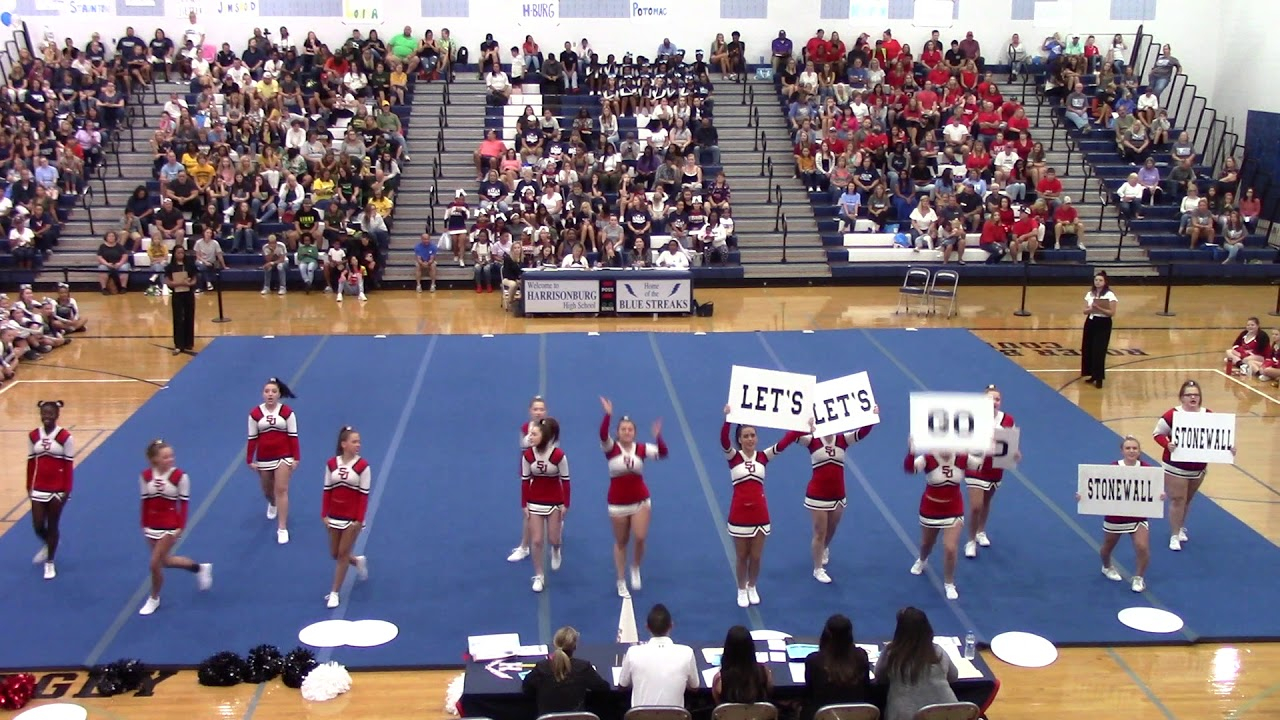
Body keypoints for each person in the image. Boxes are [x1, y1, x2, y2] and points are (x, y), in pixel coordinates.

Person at [786, 408, 877, 583]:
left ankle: (824, 548)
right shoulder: (812, 441)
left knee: (832, 529)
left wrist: (871, 415)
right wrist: (803, 425)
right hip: (817, 495)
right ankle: (818, 568)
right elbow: (792, 436)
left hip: (838, 495)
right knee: (820, 532)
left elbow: (863, 432)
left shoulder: (842, 440)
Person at [721, 405, 797, 607]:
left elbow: (784, 442)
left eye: (753, 435)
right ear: (739, 439)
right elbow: (723, 440)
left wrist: (802, 425)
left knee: (756, 556)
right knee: (741, 556)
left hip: (760, 514)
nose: (750, 439)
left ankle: (752, 585)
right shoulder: (733, 457)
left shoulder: (763, 456)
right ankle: (741, 589)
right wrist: (728, 419)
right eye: (745, 436)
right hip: (739, 514)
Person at [1076, 436, 1165, 592]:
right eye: (1128, 448)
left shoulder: (1148, 469)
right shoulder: (1113, 468)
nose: (1131, 451)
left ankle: (1138, 577)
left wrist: (1160, 496)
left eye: (1134, 448)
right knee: (1107, 548)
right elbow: (1099, 488)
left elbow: (1155, 490)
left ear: (1139, 451)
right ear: (1122, 451)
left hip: (1138, 516)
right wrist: (1083, 496)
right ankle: (1107, 566)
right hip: (1115, 516)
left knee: (1142, 546)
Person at [599, 396, 668, 598]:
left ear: (634, 432)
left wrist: (658, 436)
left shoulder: (641, 449)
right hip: (618, 504)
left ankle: (635, 566)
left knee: (640, 537)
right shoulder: (611, 449)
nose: (627, 432)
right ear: (618, 432)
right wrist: (608, 415)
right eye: (623, 429)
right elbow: (603, 434)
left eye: (630, 429)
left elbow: (663, 452)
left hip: (640, 501)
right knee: (621, 542)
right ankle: (621, 580)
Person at [1153, 380, 1233, 551]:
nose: (1193, 397)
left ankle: (1180, 527)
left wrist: (1229, 448)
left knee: (1187, 499)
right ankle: (1174, 535)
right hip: (1175, 466)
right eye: (1189, 394)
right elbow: (1158, 434)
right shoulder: (1172, 414)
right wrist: (1167, 444)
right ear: (1182, 397)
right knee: (1178, 499)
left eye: (1196, 394)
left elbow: (1217, 437)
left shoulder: (1208, 414)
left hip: (1198, 468)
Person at [138, 439, 213, 615]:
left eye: (171, 456)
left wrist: (181, 526)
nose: (170, 459)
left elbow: (184, 504)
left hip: (170, 526)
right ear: (155, 459)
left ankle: (154, 598)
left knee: (154, 563)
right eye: (165, 457)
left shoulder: (180, 477)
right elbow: (145, 502)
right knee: (165, 561)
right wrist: (144, 524)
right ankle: (200, 568)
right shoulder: (145, 476)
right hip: (151, 525)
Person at [904, 438, 980, 600]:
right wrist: (911, 453)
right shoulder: (928, 458)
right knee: (926, 544)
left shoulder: (962, 457)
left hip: (953, 509)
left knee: (950, 548)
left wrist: (990, 448)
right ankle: (923, 559)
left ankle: (949, 583)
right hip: (931, 509)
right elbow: (910, 469)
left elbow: (979, 465)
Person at [963, 385, 1020, 559]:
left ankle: (981, 531)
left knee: (986, 502)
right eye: (990, 399)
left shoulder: (1008, 420)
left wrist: (1015, 453)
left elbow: (1011, 445)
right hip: (976, 465)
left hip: (995, 467)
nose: (994, 402)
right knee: (975, 506)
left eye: (997, 399)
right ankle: (970, 540)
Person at [875, 607, 959, 720]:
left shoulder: (891, 654)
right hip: (946, 714)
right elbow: (953, 677)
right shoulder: (937, 651)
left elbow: (880, 678)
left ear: (899, 631)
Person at [246, 377, 301, 544]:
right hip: (264, 458)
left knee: (281, 489)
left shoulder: (287, 412)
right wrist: (249, 459)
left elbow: (293, 437)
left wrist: (296, 457)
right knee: (267, 491)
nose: (270, 394)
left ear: (279, 395)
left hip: (283, 456)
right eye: (267, 391)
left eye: (273, 392)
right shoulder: (255, 414)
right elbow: (252, 438)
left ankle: (282, 528)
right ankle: (272, 503)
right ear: (263, 394)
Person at [322, 426, 370, 608]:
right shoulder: (331, 464)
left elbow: (363, 495)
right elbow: (327, 490)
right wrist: (323, 514)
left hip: (351, 518)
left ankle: (334, 592)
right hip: (334, 515)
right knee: (335, 553)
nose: (358, 445)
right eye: (354, 441)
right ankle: (357, 561)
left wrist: (359, 520)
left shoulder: (363, 467)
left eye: (359, 441)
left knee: (342, 555)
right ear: (344, 444)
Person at [521, 417, 570, 592]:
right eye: (530, 434)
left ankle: (557, 549)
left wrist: (566, 504)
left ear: (545, 436)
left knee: (553, 538)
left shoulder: (558, 456)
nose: (530, 437)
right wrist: (524, 504)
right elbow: (525, 481)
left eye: (534, 434)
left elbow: (565, 481)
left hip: (554, 501)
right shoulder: (527, 455)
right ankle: (539, 575)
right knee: (536, 540)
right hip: (535, 501)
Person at [617, 603, 699, 708]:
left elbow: (622, 686)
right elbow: (694, 687)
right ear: (671, 625)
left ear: (647, 627)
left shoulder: (633, 652)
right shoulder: (687, 653)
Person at [28, 400, 73, 580]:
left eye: (50, 414)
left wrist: (67, 490)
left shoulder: (65, 437)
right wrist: (28, 486)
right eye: (44, 413)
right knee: (38, 525)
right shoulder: (33, 436)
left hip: (57, 489)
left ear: (57, 415)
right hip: (38, 487)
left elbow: (69, 466)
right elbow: (31, 463)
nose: (47, 417)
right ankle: (50, 543)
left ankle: (50, 562)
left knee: (53, 525)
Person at [522, 626, 611, 715]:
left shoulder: (541, 667)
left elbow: (526, 688)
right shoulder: (583, 667)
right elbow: (604, 688)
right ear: (575, 646)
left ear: (554, 644)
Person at [800, 614, 872, 720]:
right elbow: (867, 689)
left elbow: (809, 694)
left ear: (826, 634)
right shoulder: (861, 656)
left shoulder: (813, 660)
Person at [509, 396, 549, 563]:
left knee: (544, 510)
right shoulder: (525, 427)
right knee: (528, 512)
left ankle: (550, 536)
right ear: (530, 411)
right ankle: (525, 546)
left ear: (545, 411)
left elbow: (552, 451)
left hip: (547, 474)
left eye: (541, 409)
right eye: (535, 409)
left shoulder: (550, 428)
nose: (538, 412)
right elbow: (524, 447)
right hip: (530, 473)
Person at [712, 625, 773, 703]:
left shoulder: (719, 679)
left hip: (731, 715)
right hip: (758, 715)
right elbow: (769, 692)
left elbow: (718, 704)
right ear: (751, 648)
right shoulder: (765, 673)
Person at [1081, 271, 1117, 388]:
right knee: (1089, 348)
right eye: (1096, 280)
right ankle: (1092, 374)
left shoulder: (1110, 295)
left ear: (1105, 282)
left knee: (1099, 350)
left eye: (1100, 280)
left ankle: (1099, 378)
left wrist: (1099, 308)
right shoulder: (1090, 294)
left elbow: (1111, 313)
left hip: (1103, 323)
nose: (1098, 282)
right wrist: (1091, 309)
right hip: (1091, 321)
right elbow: (1085, 311)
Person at [165, 247, 197, 355]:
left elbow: (194, 278)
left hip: (188, 293)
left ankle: (188, 342)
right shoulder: (170, 267)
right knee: (178, 318)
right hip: (177, 294)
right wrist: (177, 284)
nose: (180, 254)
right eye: (178, 253)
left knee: (189, 316)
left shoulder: (190, 265)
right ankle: (178, 344)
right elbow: (168, 281)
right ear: (174, 254)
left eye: (182, 252)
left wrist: (190, 283)